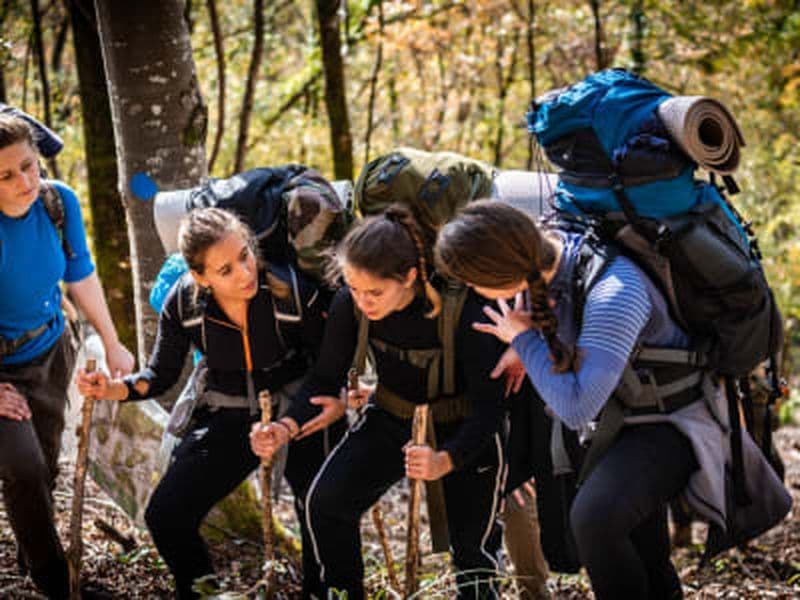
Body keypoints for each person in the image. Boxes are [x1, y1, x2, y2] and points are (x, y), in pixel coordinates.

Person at [434, 201, 789, 600]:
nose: (474, 293)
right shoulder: (557, 255)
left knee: (596, 518)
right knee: (642, 545)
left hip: (678, 420)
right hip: (624, 420)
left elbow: (576, 408)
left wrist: (524, 340)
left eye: (474, 283)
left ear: (500, 274)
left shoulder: (614, 291)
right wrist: (528, 343)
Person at [76, 207, 345, 599]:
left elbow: (326, 371)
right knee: (166, 516)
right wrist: (111, 389)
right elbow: (159, 376)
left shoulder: (292, 293)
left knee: (319, 513)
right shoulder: (182, 306)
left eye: (245, 255)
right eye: (226, 270)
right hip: (229, 412)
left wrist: (292, 424)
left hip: (301, 406)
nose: (245, 273)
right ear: (199, 277)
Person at [251, 204, 508, 599]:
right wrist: (285, 427)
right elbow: (325, 378)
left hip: (466, 428)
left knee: (472, 553)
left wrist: (446, 460)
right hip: (391, 415)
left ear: (409, 277)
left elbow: (490, 410)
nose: (363, 301)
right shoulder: (350, 305)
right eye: (354, 288)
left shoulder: (463, 310)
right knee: (326, 504)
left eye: (375, 292)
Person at [0, 113, 134, 598]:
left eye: (29, 165)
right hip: (2, 368)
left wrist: (113, 341)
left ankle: (31, 547)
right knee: (24, 466)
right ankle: (56, 581)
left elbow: (80, 274)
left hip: (52, 350)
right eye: (6, 175)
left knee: (47, 461)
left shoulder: (58, 203)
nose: (25, 181)